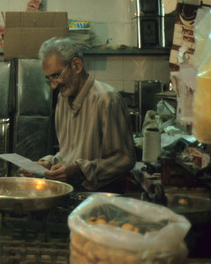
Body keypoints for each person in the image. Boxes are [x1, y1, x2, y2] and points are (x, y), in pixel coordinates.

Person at [32, 37, 135, 193]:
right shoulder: (63, 98)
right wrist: (48, 164)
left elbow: (124, 160)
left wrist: (80, 169)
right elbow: (67, 154)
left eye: (57, 75)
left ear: (76, 65)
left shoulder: (107, 99)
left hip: (101, 196)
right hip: (71, 192)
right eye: (49, 78)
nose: (53, 85)